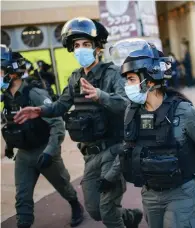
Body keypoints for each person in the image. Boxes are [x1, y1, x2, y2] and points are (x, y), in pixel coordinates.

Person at [12, 17, 142, 228]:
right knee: (94, 210)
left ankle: (120, 219)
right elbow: (60, 106)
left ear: (97, 48)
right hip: (90, 155)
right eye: (77, 46)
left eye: (86, 45)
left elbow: (127, 104)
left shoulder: (112, 74)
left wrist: (101, 95)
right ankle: (129, 217)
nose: (81, 49)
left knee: (108, 213)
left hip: (114, 151)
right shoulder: (75, 78)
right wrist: (40, 110)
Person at [111, 38, 195, 228]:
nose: (127, 85)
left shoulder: (184, 111)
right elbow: (128, 149)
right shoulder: (132, 111)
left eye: (131, 79)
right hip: (150, 193)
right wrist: (109, 177)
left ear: (150, 80)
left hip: (181, 193)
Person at [1, 47, 84, 228]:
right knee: (22, 197)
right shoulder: (6, 97)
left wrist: (50, 152)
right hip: (23, 155)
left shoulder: (35, 94)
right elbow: (11, 124)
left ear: (12, 72)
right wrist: (9, 145)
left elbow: (57, 125)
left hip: (44, 150)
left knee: (63, 186)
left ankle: (75, 205)